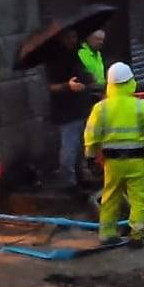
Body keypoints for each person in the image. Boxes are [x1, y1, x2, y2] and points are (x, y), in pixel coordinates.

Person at [84, 62, 144, 247]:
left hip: (112, 163)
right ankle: (136, 234)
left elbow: (91, 134)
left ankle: (106, 234)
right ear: (131, 82)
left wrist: (90, 156)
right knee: (139, 197)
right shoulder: (141, 107)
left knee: (110, 196)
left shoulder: (101, 108)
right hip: (137, 160)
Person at [45, 29, 95, 190]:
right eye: (70, 37)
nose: (74, 40)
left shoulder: (76, 54)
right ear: (63, 38)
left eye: (75, 36)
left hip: (81, 106)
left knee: (80, 145)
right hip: (66, 110)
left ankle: (80, 176)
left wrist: (89, 79)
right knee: (70, 145)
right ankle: (68, 180)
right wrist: (68, 86)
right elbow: (51, 86)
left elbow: (83, 74)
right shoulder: (55, 59)